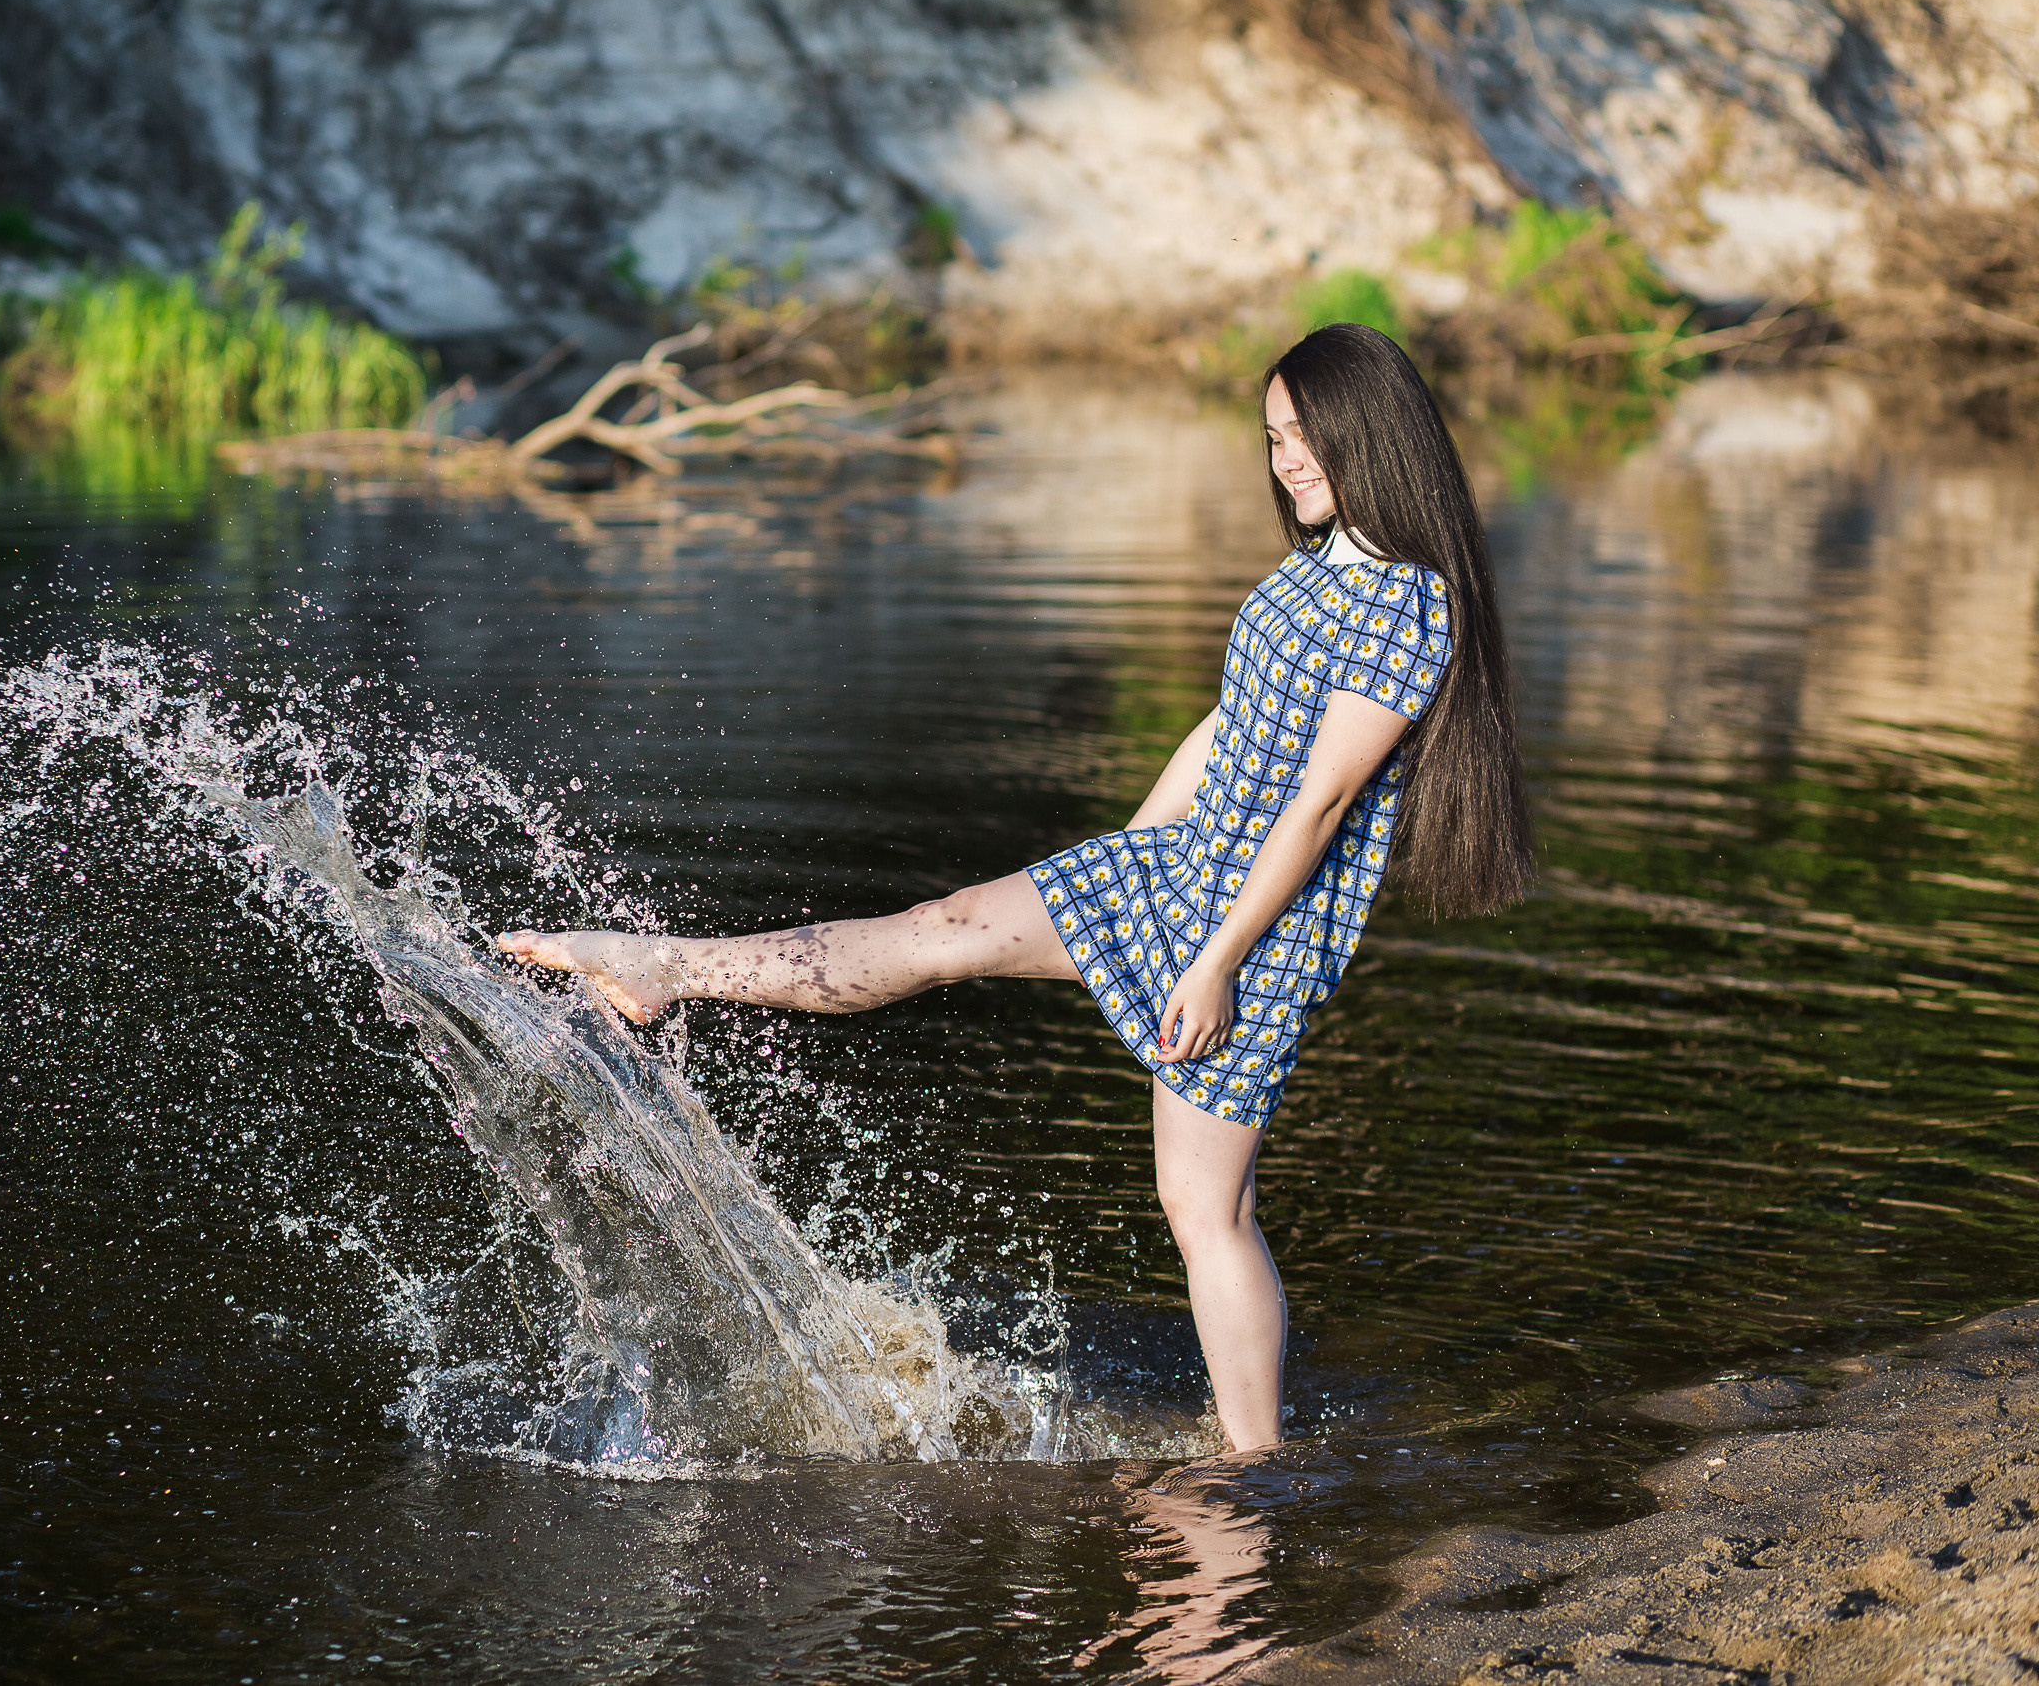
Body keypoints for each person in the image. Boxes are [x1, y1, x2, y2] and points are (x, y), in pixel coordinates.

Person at [496, 323, 1534, 1454]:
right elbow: (1226, 726)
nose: (1286, 459)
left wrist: (1215, 958)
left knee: (1206, 1212)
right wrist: (1126, 856)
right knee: (935, 929)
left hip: (1256, 936)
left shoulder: (1407, 603)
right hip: (1177, 875)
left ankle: (1254, 1466)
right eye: (1273, 436)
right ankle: (665, 971)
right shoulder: (1315, 568)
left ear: (1366, 433)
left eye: (1305, 438)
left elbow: (1321, 805)